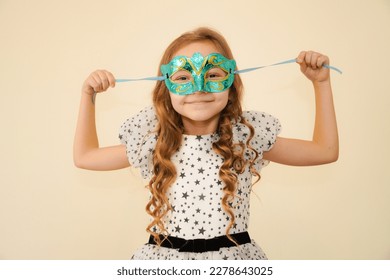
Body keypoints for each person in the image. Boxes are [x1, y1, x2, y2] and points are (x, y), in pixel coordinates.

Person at [73, 27, 338, 260]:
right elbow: (85, 156)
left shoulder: (245, 138)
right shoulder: (155, 143)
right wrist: (88, 95)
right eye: (183, 77)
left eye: (212, 75)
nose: (199, 88)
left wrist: (321, 83)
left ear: (232, 81)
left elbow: (325, 151)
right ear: (166, 85)